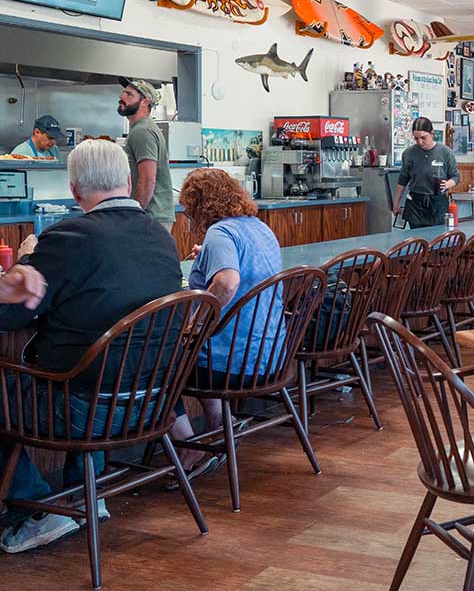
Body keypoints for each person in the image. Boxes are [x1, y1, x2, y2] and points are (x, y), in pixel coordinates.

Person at [0, 139, 182, 552]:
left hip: (86, 411)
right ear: (127, 180)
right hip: (153, 404)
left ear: (74, 188)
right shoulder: (160, 235)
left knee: (55, 380)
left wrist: (27, 262)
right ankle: (83, 493)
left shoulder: (68, 237)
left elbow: (10, 315)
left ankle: (34, 509)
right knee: (91, 363)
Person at [169, 168, 283, 474]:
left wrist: (198, 322)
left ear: (198, 206)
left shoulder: (218, 233)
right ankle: (222, 425)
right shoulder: (259, 227)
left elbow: (229, 281)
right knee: (199, 351)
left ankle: (190, 447)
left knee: (160, 364)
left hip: (233, 365)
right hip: (270, 357)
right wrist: (209, 254)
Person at [118, 78, 174, 230]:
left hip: (150, 217)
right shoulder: (143, 128)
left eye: (129, 95)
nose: (121, 98)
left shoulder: (142, 132)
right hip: (153, 216)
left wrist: (135, 213)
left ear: (145, 102)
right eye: (123, 93)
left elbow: (148, 179)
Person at [392, 117, 459, 228]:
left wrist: (448, 184)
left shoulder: (446, 152)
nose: (420, 142)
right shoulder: (408, 153)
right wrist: (396, 203)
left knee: (437, 239)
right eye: (416, 138)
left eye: (423, 138)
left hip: (438, 202)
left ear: (432, 133)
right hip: (415, 203)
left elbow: (455, 176)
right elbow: (403, 179)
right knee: (417, 240)